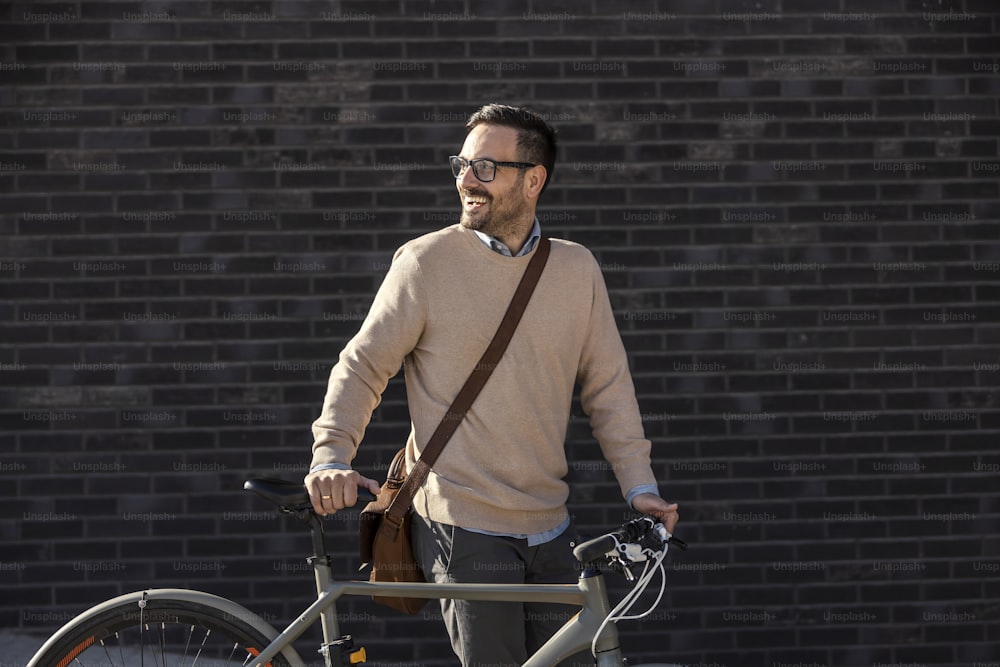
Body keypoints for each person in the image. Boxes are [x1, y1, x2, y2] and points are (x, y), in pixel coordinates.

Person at [305, 103, 679, 667]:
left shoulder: (577, 270)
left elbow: (609, 390)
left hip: (552, 527)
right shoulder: (425, 263)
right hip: (463, 524)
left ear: (534, 180)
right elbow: (362, 366)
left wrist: (639, 488)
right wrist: (330, 455)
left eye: (484, 166)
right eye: (461, 164)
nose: (465, 179)